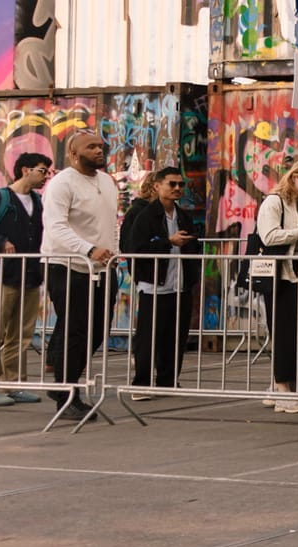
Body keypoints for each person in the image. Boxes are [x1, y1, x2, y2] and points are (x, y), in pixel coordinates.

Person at [41, 132, 120, 422]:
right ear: (74, 154)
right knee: (74, 332)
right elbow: (56, 226)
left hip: (102, 268)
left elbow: (110, 223)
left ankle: (64, 384)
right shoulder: (61, 183)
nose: (99, 150)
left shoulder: (106, 181)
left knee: (98, 331)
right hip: (68, 266)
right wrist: (88, 249)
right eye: (91, 147)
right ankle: (67, 396)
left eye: (101, 146)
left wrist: (114, 251)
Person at [0, 153, 50, 406]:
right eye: (42, 170)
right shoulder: (0, 198)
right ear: (25, 170)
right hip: (2, 274)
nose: (45, 176)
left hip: (30, 275)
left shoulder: (38, 202)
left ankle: (14, 383)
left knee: (22, 333)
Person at [120, 167, 195, 395]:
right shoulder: (145, 215)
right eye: (172, 184)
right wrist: (167, 242)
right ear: (157, 186)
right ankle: (141, 383)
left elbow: (193, 247)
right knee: (148, 336)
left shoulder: (183, 216)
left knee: (176, 336)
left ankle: (168, 381)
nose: (177, 188)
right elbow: (135, 248)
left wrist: (192, 276)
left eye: (181, 184)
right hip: (154, 285)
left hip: (180, 284)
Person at [256, 159, 298, 413]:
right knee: (285, 332)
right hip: (282, 274)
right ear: (294, 177)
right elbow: (269, 236)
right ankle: (283, 389)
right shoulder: (274, 201)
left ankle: (277, 386)